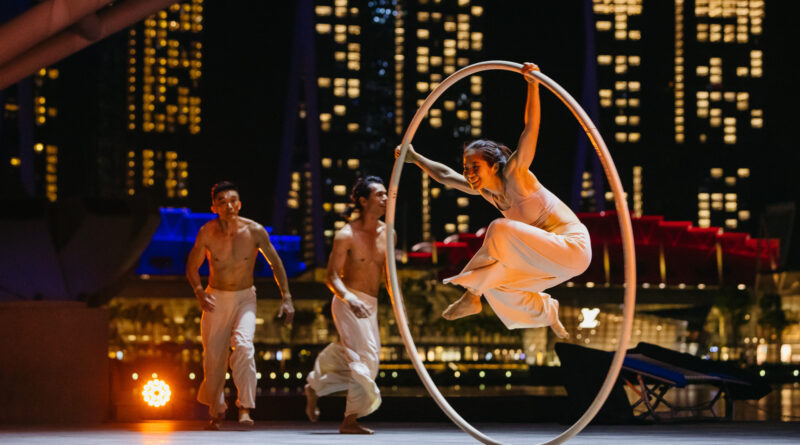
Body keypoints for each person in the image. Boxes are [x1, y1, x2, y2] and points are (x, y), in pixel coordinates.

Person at [397, 63, 591, 338]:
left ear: (493, 166)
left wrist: (532, 84)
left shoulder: (515, 173)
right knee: (497, 282)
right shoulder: (486, 192)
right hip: (551, 261)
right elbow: (444, 176)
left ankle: (471, 295)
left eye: (475, 167)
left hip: (572, 248)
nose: (469, 174)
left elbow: (531, 128)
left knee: (499, 229)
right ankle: (547, 311)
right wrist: (415, 158)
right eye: (466, 168)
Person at [186, 181, 295, 430]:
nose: (229, 206)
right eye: (222, 202)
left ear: (240, 203)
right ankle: (217, 411)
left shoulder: (254, 230)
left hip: (245, 296)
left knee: (244, 347)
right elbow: (192, 267)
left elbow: (276, 264)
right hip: (216, 297)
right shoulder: (207, 232)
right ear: (214, 207)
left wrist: (286, 297)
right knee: (214, 358)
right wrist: (199, 291)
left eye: (233, 200)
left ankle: (245, 408)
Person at [304, 176, 391, 434]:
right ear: (363, 201)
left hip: (371, 304)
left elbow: (389, 278)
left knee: (359, 356)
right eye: (379, 195)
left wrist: (400, 309)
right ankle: (349, 420)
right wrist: (349, 298)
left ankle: (315, 385)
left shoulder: (390, 233)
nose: (385, 199)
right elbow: (330, 276)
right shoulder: (346, 235)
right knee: (367, 357)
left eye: (386, 194)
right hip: (347, 300)